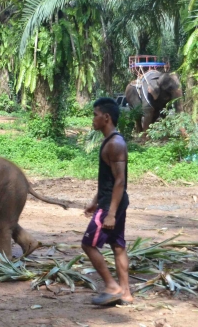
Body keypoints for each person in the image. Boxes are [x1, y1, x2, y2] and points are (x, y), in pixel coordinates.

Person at [81, 97, 133, 306]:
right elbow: (109, 180)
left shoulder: (115, 144)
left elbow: (120, 181)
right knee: (117, 246)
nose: (93, 119)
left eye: (95, 115)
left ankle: (112, 286)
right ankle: (126, 293)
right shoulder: (110, 141)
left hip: (112, 205)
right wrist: (95, 199)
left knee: (88, 244)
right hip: (110, 202)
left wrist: (110, 212)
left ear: (106, 117)